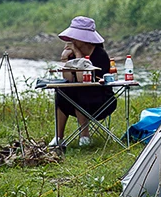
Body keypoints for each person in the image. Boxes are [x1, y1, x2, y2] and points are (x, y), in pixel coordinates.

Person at [50, 16, 117, 147]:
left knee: (81, 93)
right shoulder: (72, 54)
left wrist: (79, 56)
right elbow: (68, 79)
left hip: (101, 100)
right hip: (78, 97)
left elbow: (82, 80)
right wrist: (65, 59)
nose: (72, 40)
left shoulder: (100, 54)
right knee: (62, 93)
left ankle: (84, 136)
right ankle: (59, 137)